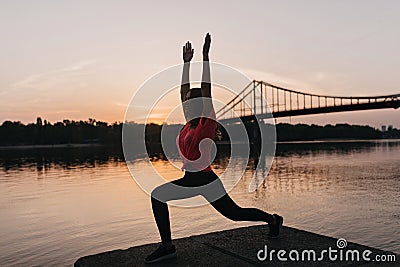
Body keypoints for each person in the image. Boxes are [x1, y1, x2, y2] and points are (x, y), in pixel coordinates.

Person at [145, 33, 283, 264]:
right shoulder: (189, 124)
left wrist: (206, 56)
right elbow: (183, 91)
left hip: (205, 180)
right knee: (159, 196)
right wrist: (186, 64)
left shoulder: (207, 122)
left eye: (191, 100)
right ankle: (167, 246)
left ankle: (272, 219)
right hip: (193, 178)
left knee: (235, 214)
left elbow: (206, 89)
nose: (186, 103)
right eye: (186, 100)